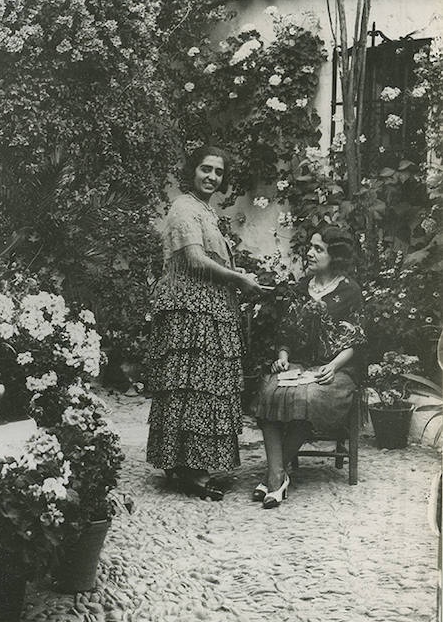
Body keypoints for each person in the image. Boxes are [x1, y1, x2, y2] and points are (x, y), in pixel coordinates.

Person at [146, 144, 264, 501]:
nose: (212, 177)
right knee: (191, 385)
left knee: (203, 385)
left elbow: (208, 257)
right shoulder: (184, 207)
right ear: (191, 171)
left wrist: (234, 274)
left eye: (218, 172)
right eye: (205, 169)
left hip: (208, 306)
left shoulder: (205, 211)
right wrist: (237, 279)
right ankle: (189, 471)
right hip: (191, 309)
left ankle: (186, 464)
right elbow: (196, 260)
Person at [252, 226, 365, 509]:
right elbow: (285, 332)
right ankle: (277, 475)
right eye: (310, 247)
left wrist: (332, 364)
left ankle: (273, 479)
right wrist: (283, 355)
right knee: (269, 391)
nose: (310, 253)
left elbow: (357, 339)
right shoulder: (301, 288)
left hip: (336, 369)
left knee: (308, 397)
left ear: (335, 256)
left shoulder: (350, 291)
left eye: (319, 249)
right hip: (299, 365)